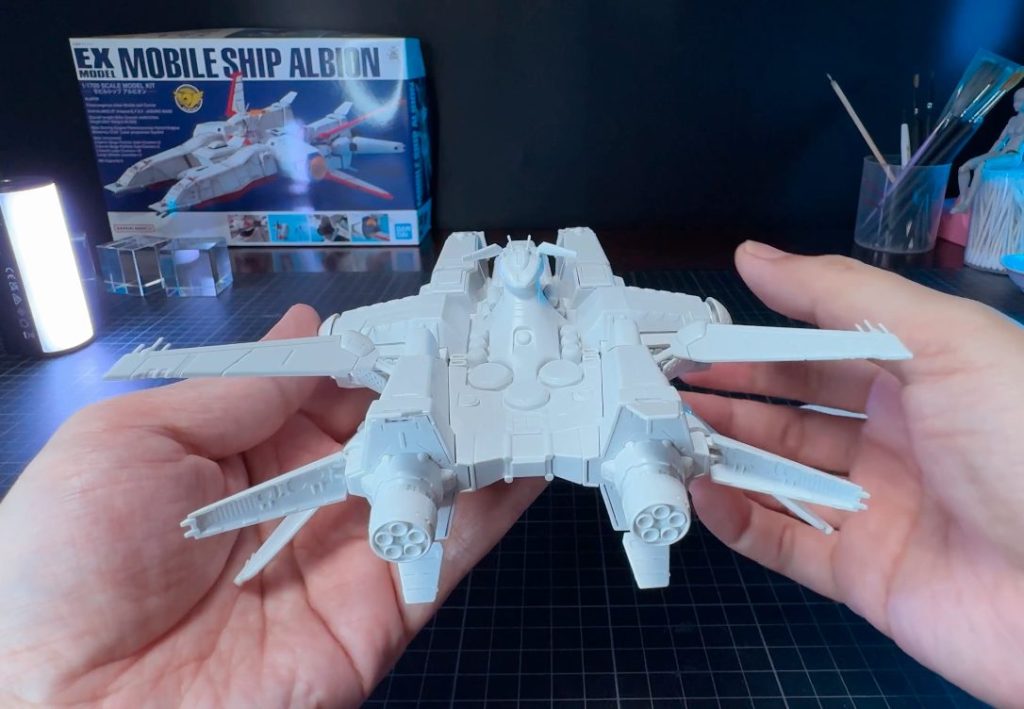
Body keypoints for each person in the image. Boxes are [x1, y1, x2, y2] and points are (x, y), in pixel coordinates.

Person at [1, 242, 1022, 707]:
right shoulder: (474, 314)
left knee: (453, 475)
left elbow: (342, 337)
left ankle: (560, 506)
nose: (525, 268)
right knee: (596, 468)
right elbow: (704, 322)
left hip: (538, 410)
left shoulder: (547, 310)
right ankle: (598, 504)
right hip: (520, 412)